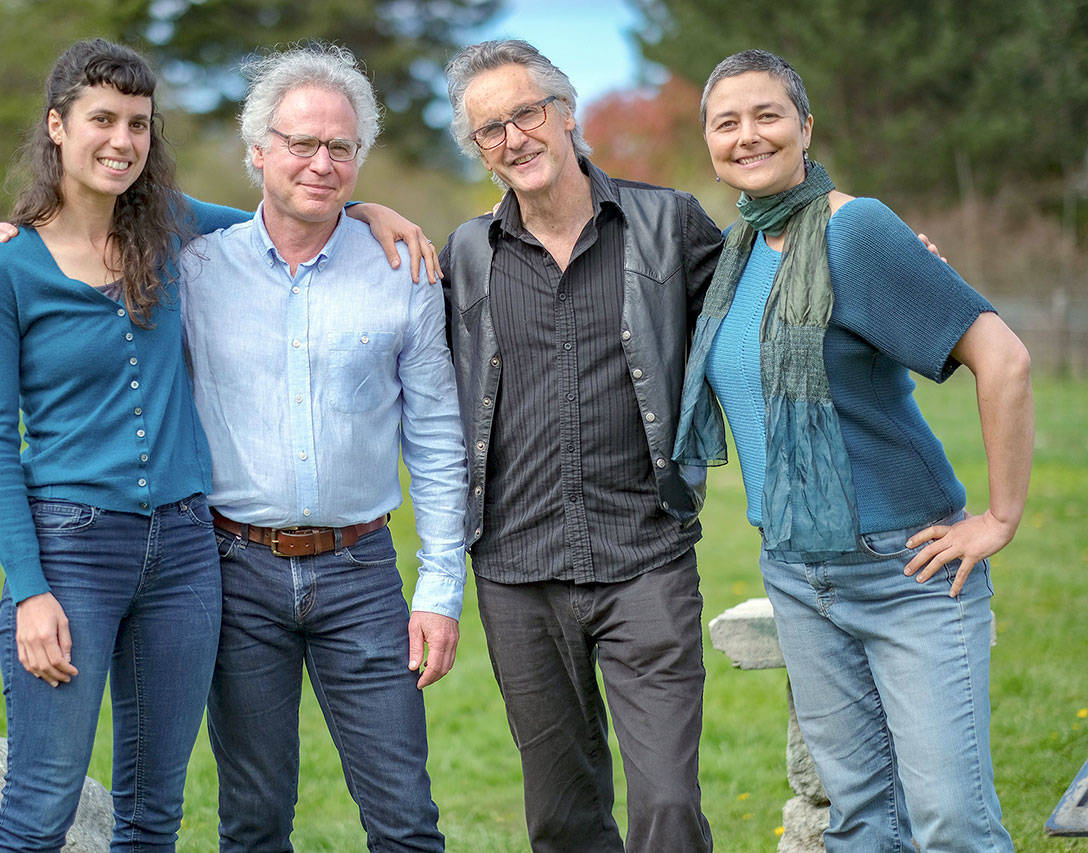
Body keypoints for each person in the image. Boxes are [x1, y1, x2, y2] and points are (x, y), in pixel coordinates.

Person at [0, 39, 440, 852]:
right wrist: (29, 586)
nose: (122, 140)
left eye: (139, 124)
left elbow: (286, 216)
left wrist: (367, 211)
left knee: (155, 809)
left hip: (186, 553)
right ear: (56, 126)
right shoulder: (3, 268)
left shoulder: (171, 229)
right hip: (72, 549)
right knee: (42, 802)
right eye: (101, 120)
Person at [674, 49, 1032, 852]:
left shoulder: (856, 228)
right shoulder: (736, 253)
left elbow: (1004, 358)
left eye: (767, 114)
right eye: (725, 122)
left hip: (907, 570)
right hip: (798, 572)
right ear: (709, 141)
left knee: (951, 824)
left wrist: (1000, 516)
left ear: (805, 126)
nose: (747, 135)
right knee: (862, 822)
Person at [177, 44, 467, 851]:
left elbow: (437, 436)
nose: (321, 161)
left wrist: (440, 587)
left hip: (362, 575)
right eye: (301, 142)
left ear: (359, 160)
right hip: (234, 572)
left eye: (341, 147)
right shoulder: (198, 270)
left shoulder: (403, 271)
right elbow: (98, 216)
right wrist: (18, 230)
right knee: (254, 820)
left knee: (406, 821)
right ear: (259, 151)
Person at [438, 39, 722, 853]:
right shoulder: (465, 253)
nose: (513, 139)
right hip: (517, 572)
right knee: (561, 818)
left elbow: (767, 289)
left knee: (667, 806)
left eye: (526, 113)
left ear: (567, 116)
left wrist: (841, 217)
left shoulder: (669, 225)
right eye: (489, 130)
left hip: (646, 557)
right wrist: (367, 210)